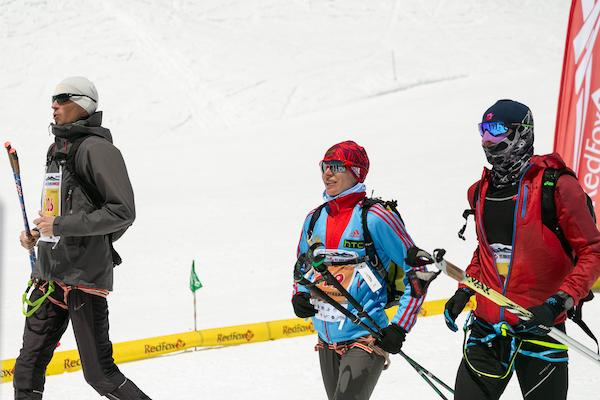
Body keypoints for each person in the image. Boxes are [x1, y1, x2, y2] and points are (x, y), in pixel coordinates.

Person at [444, 99, 600, 400]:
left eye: (496, 130)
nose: (487, 140)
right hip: (488, 331)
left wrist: (558, 302)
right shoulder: (480, 191)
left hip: (541, 329)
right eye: (483, 130)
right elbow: (488, 252)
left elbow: (593, 251)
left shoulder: (557, 186)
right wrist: (465, 290)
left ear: (522, 133)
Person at [13, 77, 151, 400]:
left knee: (100, 374)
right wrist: (40, 233)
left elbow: (123, 212)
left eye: (63, 98)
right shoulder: (56, 150)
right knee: (26, 370)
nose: (54, 105)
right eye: (53, 99)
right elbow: (59, 209)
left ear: (84, 104)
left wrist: (60, 226)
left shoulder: (97, 150)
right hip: (50, 274)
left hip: (83, 276)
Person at [292, 140, 428, 400]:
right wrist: (298, 295)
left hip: (366, 337)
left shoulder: (375, 217)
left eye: (335, 167)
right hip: (326, 339)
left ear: (355, 171)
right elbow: (302, 264)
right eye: (324, 167)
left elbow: (419, 269)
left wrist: (399, 327)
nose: (327, 173)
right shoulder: (314, 218)